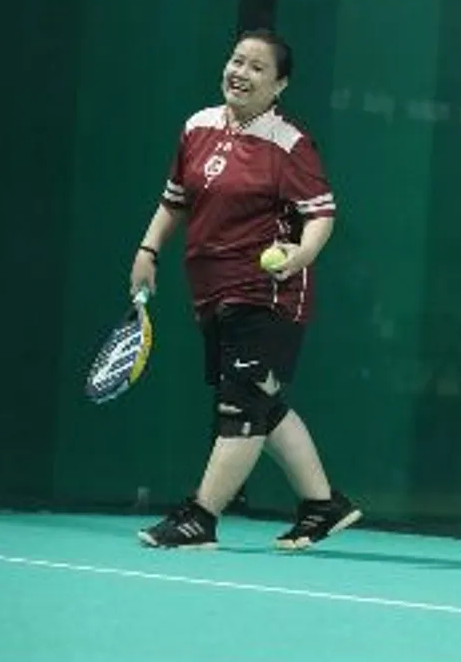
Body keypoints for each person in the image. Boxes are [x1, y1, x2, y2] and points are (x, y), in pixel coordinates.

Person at [129, 28, 361, 550]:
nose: (241, 73)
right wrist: (148, 250)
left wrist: (300, 255)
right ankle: (322, 505)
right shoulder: (198, 126)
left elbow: (321, 214)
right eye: (237, 61)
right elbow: (175, 200)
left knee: (242, 403)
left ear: (279, 85)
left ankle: (200, 517)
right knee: (262, 402)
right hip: (211, 290)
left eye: (258, 68)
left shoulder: (290, 144)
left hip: (266, 294)